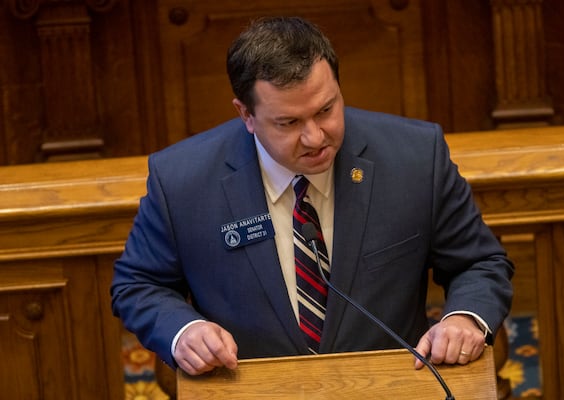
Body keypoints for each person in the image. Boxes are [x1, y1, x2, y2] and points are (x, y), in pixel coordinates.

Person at [111, 16, 513, 376]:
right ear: (245, 115)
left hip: (389, 385)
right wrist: (185, 330)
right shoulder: (182, 180)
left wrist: (465, 318)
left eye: (326, 110)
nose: (315, 138)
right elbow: (138, 284)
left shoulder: (415, 157)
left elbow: (479, 262)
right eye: (288, 122)